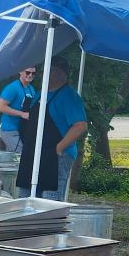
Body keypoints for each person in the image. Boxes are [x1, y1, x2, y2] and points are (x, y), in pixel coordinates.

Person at [17, 56, 87, 201]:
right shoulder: (39, 94)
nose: (44, 74)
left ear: (60, 73)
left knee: (49, 201)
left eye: (49, 71)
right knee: (26, 200)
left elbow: (80, 126)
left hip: (56, 157)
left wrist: (58, 148)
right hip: (33, 154)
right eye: (44, 71)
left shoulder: (68, 96)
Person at [0, 67, 36, 153]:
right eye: (28, 72)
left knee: (13, 158)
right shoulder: (12, 88)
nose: (30, 75)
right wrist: (22, 114)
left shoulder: (31, 89)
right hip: (9, 129)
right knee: (21, 154)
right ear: (20, 71)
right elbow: (0, 107)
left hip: (22, 129)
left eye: (33, 73)